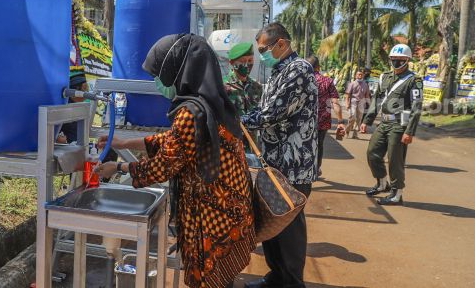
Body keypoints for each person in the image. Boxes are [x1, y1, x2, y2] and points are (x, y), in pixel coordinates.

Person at [96, 34, 255, 287]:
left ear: (178, 69)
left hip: (211, 220)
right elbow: (173, 140)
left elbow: (163, 165)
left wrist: (118, 166)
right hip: (232, 214)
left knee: (208, 281)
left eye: (160, 74)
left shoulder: (191, 113)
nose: (158, 82)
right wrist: (122, 143)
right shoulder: (212, 103)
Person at [241, 23, 318, 288]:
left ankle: (292, 282)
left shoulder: (298, 70)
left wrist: (235, 121)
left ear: (281, 44)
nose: (262, 54)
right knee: (272, 220)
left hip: (293, 164)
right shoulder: (279, 70)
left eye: (264, 49)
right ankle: (276, 277)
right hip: (275, 161)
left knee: (289, 226)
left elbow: (272, 112)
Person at [361, 44, 423, 206]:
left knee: (395, 159)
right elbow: (376, 100)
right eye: (393, 59)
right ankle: (382, 183)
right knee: (372, 153)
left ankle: (397, 194)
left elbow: (417, 107)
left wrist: (409, 131)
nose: (396, 62)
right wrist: (367, 121)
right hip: (384, 122)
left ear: (407, 60)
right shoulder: (384, 77)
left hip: (401, 122)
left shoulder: (413, 80)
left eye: (400, 60)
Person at [306, 55, 345, 178]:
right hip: (322, 121)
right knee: (319, 145)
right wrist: (340, 121)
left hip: (304, 121)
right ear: (318, 67)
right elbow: (335, 103)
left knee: (305, 144)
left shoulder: (302, 80)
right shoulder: (327, 81)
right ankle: (316, 169)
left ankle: (305, 168)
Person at [224, 42, 263, 117]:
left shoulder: (257, 86)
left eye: (250, 60)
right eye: (242, 61)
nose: (246, 64)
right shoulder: (224, 86)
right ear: (231, 62)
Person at [345, 70, 371, 139]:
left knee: (359, 120)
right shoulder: (352, 84)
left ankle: (355, 135)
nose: (360, 76)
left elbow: (367, 95)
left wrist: (369, 104)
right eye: (358, 74)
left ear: (363, 76)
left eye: (361, 75)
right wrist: (347, 104)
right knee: (352, 117)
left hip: (361, 104)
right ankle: (347, 130)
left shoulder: (365, 84)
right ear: (356, 75)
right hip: (353, 102)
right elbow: (348, 95)